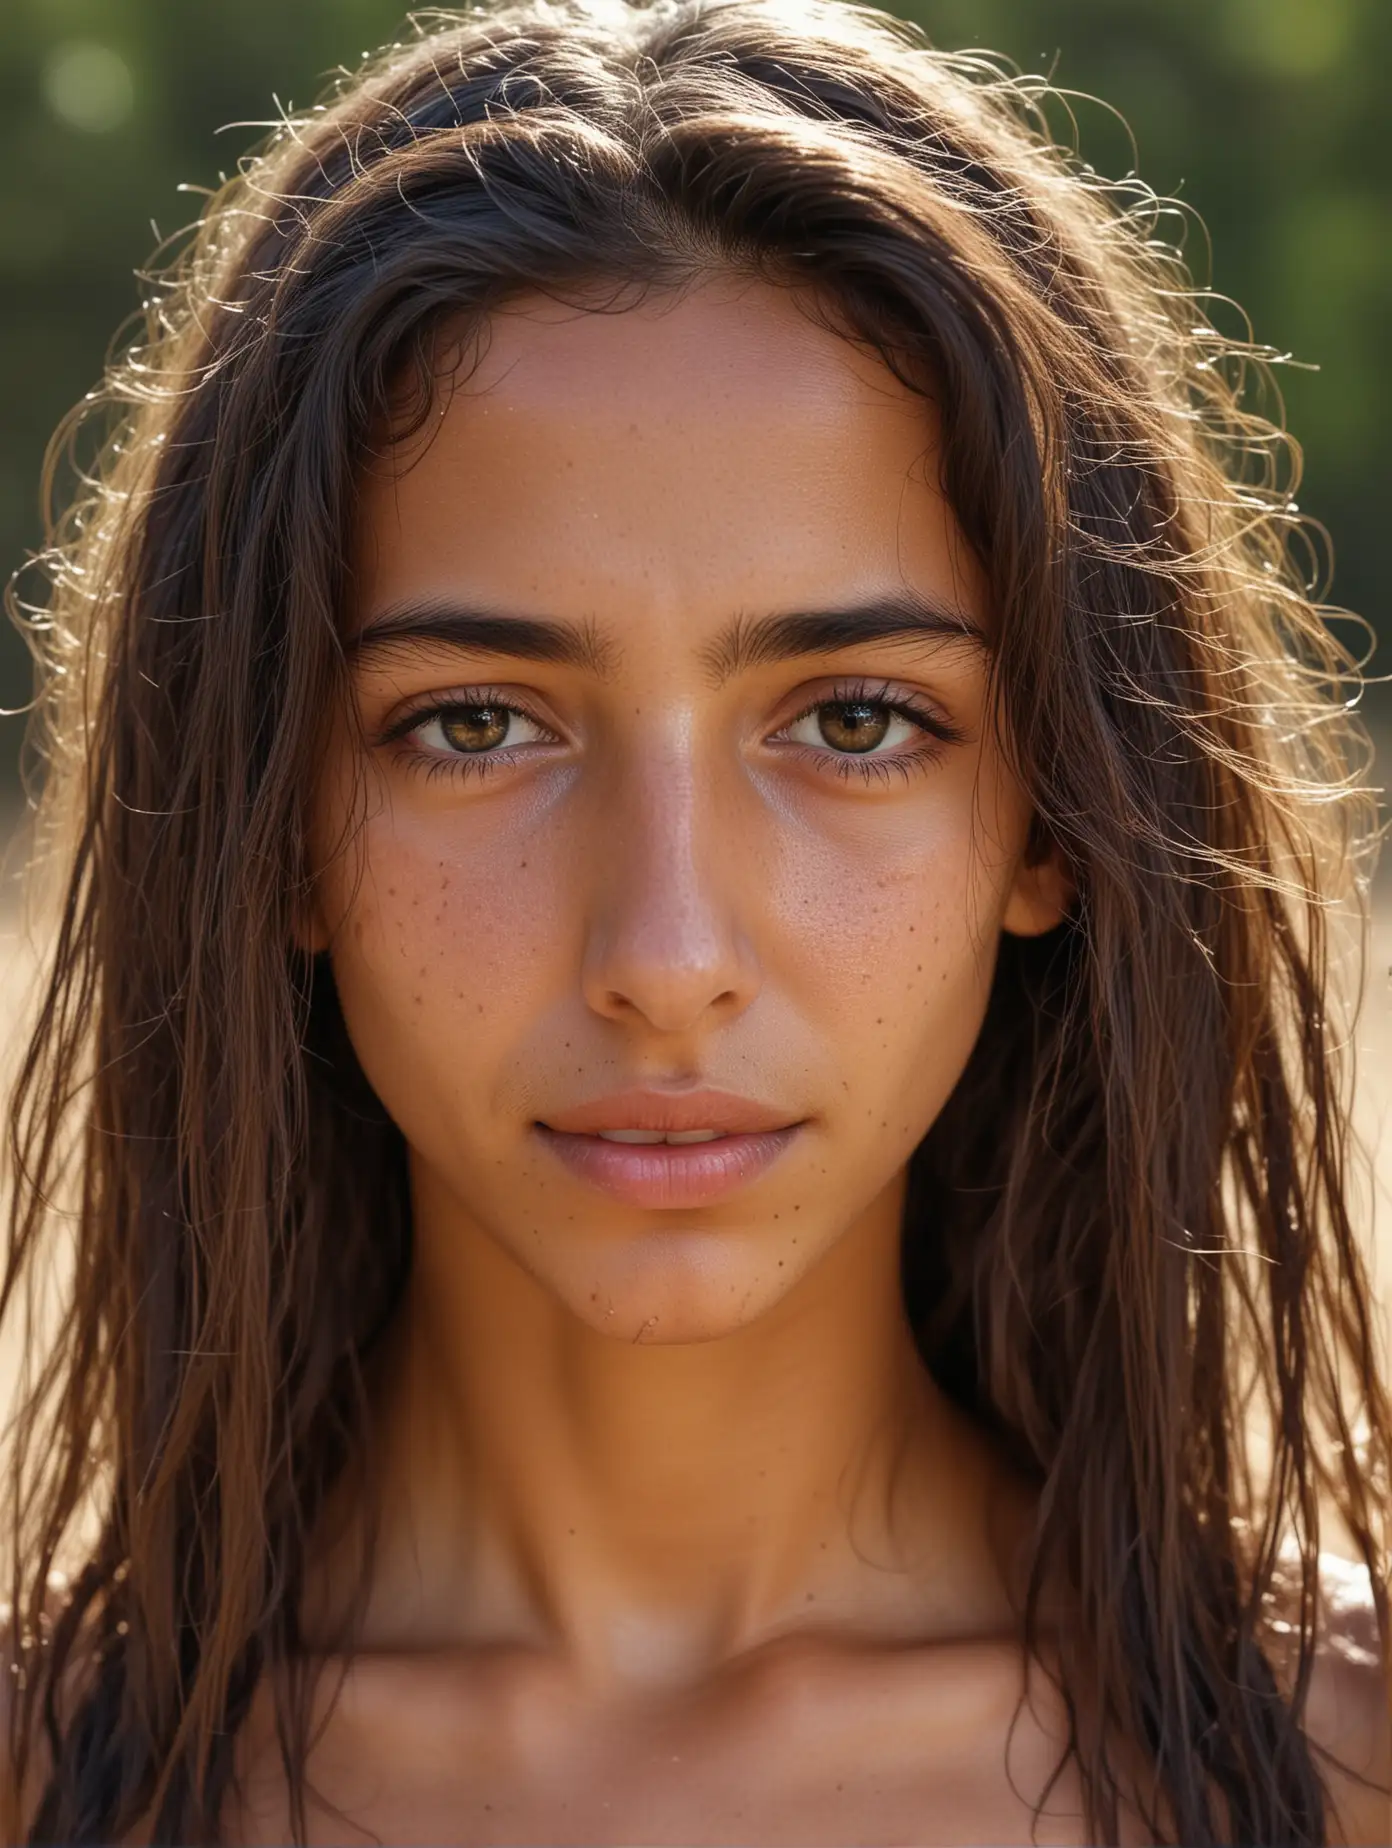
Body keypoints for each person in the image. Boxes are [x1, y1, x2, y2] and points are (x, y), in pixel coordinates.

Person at [2, 0, 1389, 1839]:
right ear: (274, 839)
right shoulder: (49, 1779)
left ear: (1059, 814)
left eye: (855, 722)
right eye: (473, 726)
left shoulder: (1336, 1768)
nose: (665, 955)